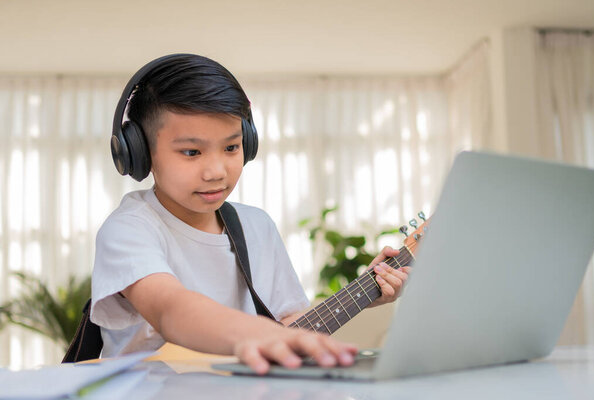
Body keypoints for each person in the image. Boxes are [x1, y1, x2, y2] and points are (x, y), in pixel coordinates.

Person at [91, 54, 411, 374]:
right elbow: (170, 310)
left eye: (231, 147)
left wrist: (364, 294)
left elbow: (286, 329)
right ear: (140, 153)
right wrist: (260, 334)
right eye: (192, 152)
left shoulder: (256, 226)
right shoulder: (129, 228)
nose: (217, 172)